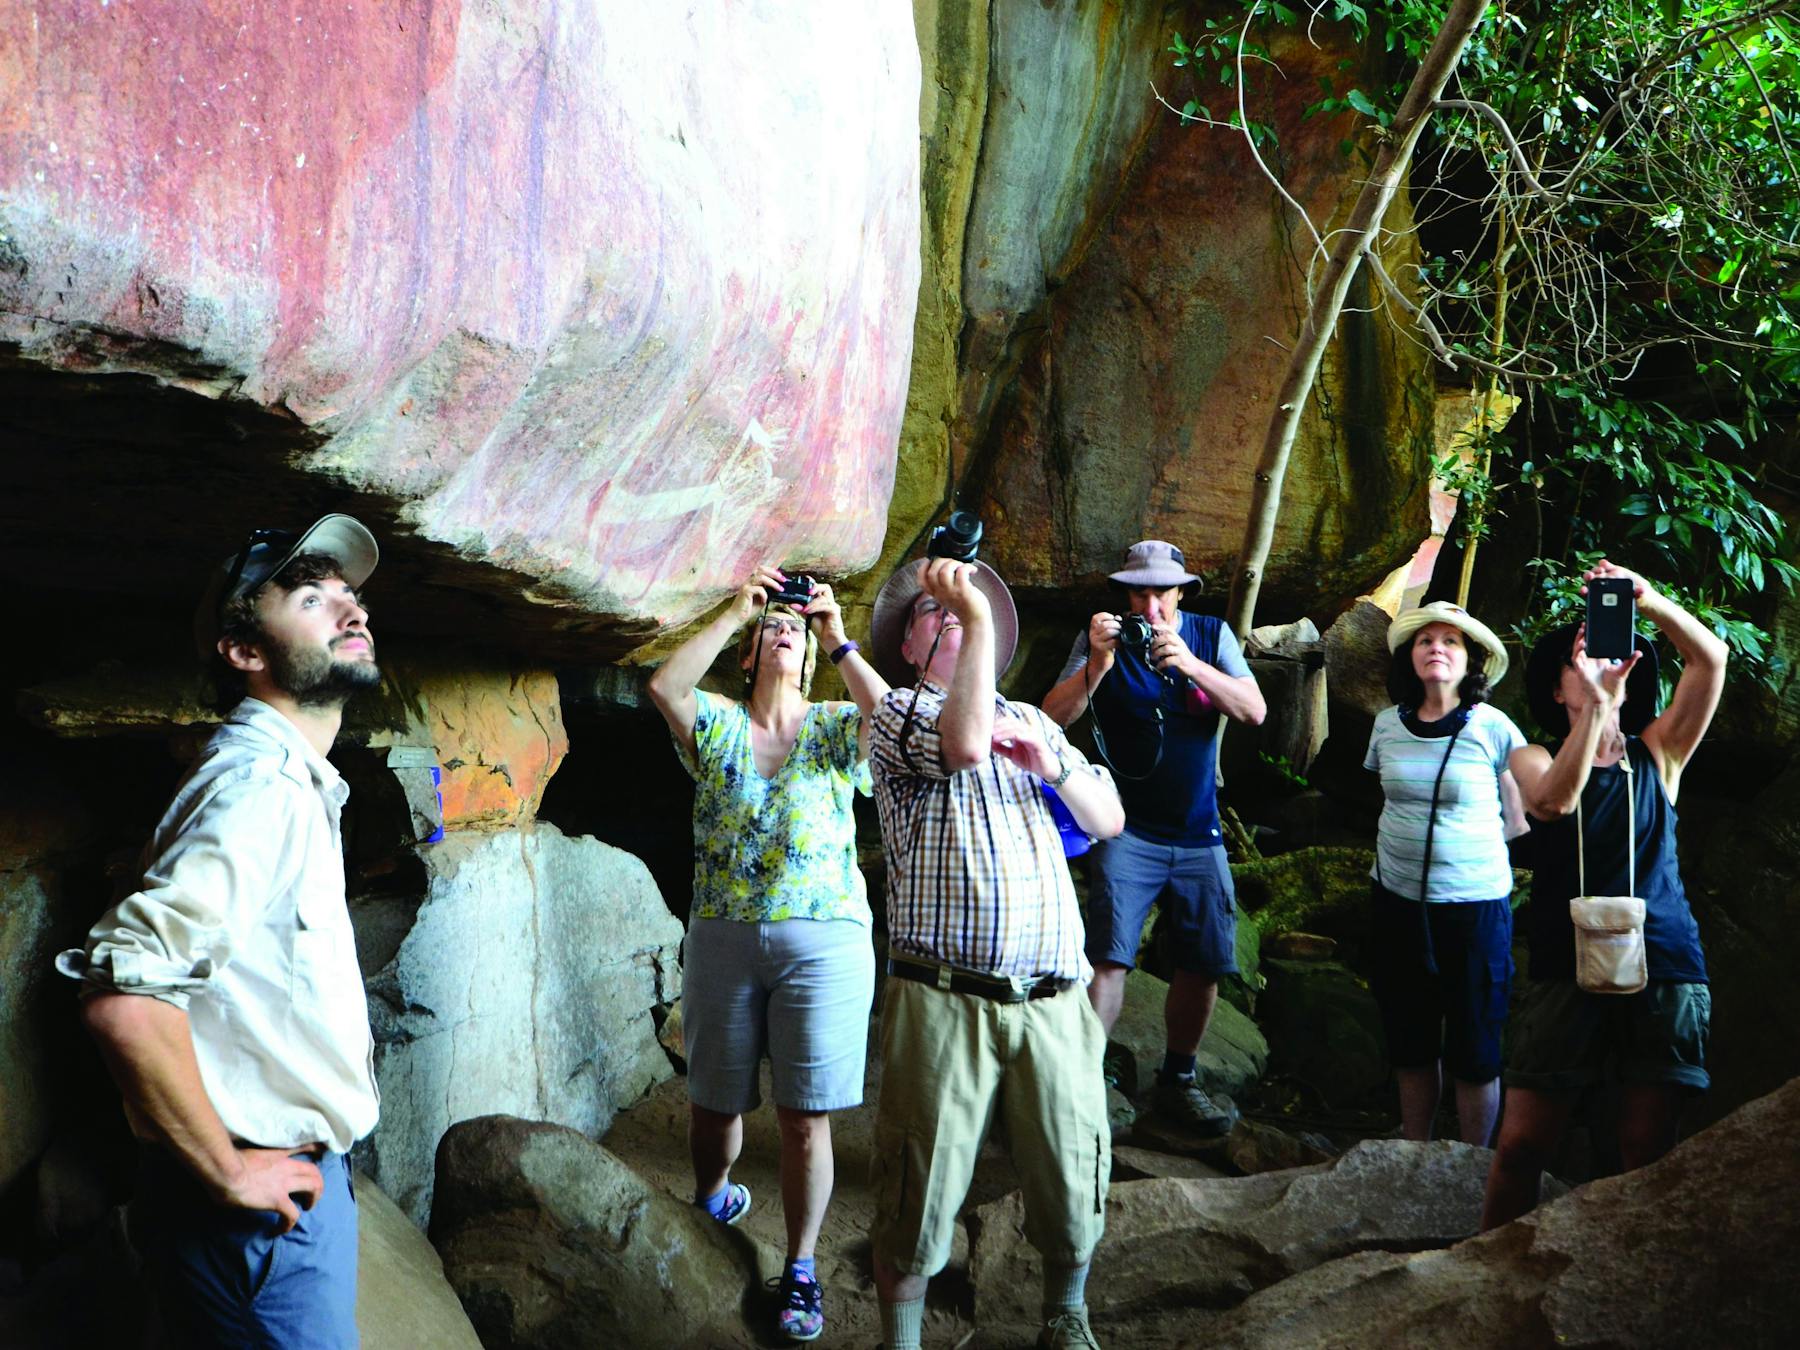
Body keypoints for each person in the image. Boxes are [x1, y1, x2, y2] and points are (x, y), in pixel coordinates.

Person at [55, 515, 384, 1349]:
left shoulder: (291, 780)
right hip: (252, 1222)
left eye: (349, 596)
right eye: (311, 600)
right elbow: (125, 1001)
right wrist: (228, 1170)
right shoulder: (257, 786)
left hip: (282, 1195)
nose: (352, 611)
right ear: (243, 651)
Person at [864, 553, 1126, 1350]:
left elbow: (1108, 818)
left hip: (1053, 999)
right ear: (907, 647)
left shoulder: (1038, 722)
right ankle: (901, 1341)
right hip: (942, 998)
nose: (948, 614)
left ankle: (1066, 1315)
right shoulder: (898, 712)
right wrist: (974, 613)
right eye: (930, 612)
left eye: (964, 610)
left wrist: (1051, 764)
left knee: (1073, 1167)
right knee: (916, 1188)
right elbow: (967, 746)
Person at [646, 566, 888, 1344]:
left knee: (804, 1118)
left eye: (795, 632)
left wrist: (836, 637)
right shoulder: (717, 723)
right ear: (749, 657)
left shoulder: (835, 725)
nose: (785, 633)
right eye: (771, 631)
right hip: (723, 933)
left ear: (810, 662)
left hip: (825, 943)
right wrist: (736, 612)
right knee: (714, 1101)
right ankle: (711, 1199)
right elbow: (664, 687)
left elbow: (890, 720)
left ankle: (802, 1266)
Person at [1481, 560, 1725, 1230]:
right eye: (1580, 657)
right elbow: (1553, 802)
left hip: (1663, 960)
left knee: (1646, 1148)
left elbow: (1711, 660)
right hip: (1566, 964)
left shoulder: (1660, 753)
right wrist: (1596, 709)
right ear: (1556, 686)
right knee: (1521, 1146)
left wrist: (1650, 601)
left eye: (1609, 652)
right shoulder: (1532, 756)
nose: (1598, 662)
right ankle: (1478, 1269)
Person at [1041, 540, 1265, 1136]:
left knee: (1205, 960)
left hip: (1198, 829)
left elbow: (1254, 711)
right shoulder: (1103, 639)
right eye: (1138, 594)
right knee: (1109, 957)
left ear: (1181, 593)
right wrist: (1098, 663)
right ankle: (1081, 1084)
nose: (1150, 606)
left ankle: (1178, 1081)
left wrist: (1190, 664)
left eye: (1161, 593)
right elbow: (1050, 720)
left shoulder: (1212, 635)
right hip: (1126, 827)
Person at [1365, 601, 1528, 1147]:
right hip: (1395, 899)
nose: (1436, 648)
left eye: (1451, 641)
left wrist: (1469, 856)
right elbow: (1388, 798)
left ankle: (1472, 1162)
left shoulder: (1494, 728)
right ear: (1410, 657)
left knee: (1475, 1039)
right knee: (1410, 1034)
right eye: (1425, 640)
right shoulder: (1386, 725)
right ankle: (1416, 1148)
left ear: (1470, 660)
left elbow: (1521, 816)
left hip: (1474, 905)